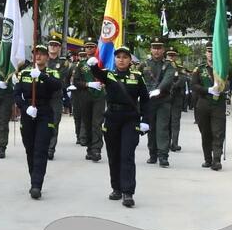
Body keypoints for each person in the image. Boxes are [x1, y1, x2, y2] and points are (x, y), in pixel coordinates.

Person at [87, 46, 149, 207]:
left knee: (127, 155)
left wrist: (146, 120)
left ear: (130, 60)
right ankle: (117, 188)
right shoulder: (109, 74)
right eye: (118, 57)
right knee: (113, 155)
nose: (121, 59)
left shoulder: (137, 76)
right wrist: (93, 65)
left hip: (130, 119)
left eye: (125, 57)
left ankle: (128, 192)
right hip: (112, 118)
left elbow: (146, 99)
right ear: (114, 59)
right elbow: (98, 74)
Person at [14, 44, 62, 199]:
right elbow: (16, 93)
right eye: (36, 54)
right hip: (28, 112)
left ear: (47, 57)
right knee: (30, 148)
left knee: (40, 149)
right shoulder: (25, 73)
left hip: (44, 112)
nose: (39, 57)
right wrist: (24, 107)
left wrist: (41, 76)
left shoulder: (52, 72)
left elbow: (57, 86)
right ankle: (33, 177)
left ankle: (36, 184)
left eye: (42, 54)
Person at [191, 42, 226, 170]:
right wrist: (208, 90)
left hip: (218, 104)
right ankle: (208, 159)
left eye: (213, 52)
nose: (211, 54)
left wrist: (223, 88)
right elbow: (193, 85)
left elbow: (231, 83)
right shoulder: (199, 69)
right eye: (209, 51)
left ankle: (216, 160)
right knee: (205, 132)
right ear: (206, 53)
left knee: (218, 132)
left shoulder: (224, 68)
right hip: (203, 103)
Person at [140, 37, 175, 168]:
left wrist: (158, 90)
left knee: (162, 128)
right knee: (151, 128)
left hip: (163, 100)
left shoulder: (169, 65)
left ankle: (163, 156)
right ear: (151, 49)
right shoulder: (144, 64)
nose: (156, 50)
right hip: (148, 101)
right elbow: (137, 78)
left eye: (159, 48)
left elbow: (168, 79)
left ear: (163, 50)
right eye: (154, 48)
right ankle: (152, 154)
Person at [69, 37, 106, 160]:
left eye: (92, 47)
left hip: (99, 96)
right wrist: (88, 84)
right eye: (87, 47)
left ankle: (96, 149)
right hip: (85, 96)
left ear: (96, 48)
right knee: (87, 122)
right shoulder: (81, 64)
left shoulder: (102, 62)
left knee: (97, 123)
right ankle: (90, 148)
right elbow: (76, 82)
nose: (89, 49)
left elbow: (110, 77)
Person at [45, 38, 68, 160]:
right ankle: (42, 146)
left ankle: (50, 149)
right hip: (42, 96)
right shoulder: (42, 60)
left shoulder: (63, 63)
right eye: (51, 44)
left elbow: (61, 79)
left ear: (59, 47)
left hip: (55, 97)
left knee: (54, 123)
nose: (53, 47)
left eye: (55, 45)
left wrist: (46, 76)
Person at [165, 47, 187, 152]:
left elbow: (182, 80)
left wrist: (173, 86)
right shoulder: (163, 67)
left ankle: (174, 143)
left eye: (173, 55)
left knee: (175, 121)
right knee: (166, 121)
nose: (171, 57)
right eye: (169, 55)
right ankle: (166, 142)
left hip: (176, 97)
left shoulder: (180, 68)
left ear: (176, 56)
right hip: (165, 97)